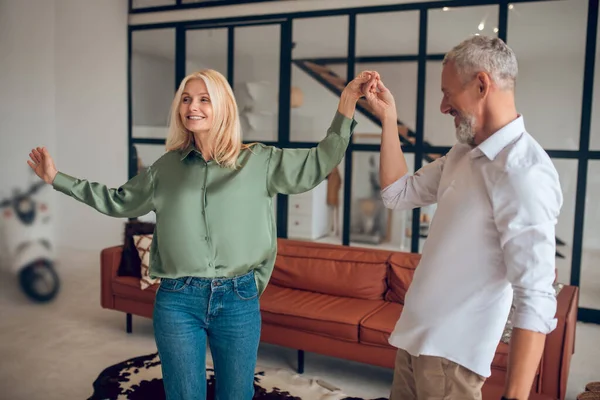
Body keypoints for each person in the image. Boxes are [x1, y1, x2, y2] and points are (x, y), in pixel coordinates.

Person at [27, 68, 375, 400]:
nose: (192, 106)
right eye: (186, 99)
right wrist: (58, 178)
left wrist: (346, 102)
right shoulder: (166, 168)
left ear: (223, 106)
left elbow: (319, 162)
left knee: (237, 395)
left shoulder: (260, 161)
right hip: (178, 300)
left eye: (204, 99)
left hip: (238, 299)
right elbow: (118, 202)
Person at [364, 35, 562, 399]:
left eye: (447, 92)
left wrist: (514, 397)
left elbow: (535, 294)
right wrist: (388, 118)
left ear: (482, 84)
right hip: (415, 339)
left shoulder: (522, 172)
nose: (443, 106)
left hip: (452, 356)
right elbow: (397, 194)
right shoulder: (463, 154)